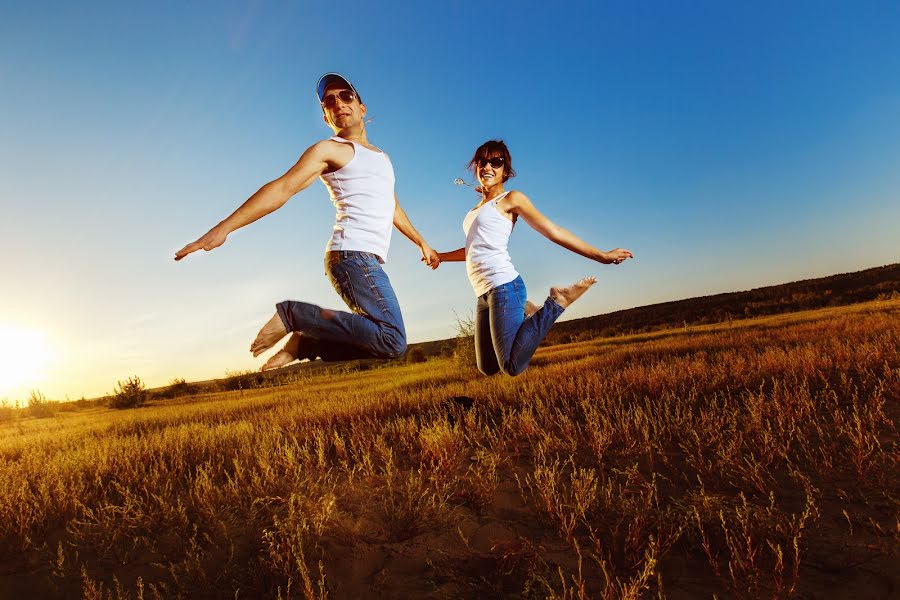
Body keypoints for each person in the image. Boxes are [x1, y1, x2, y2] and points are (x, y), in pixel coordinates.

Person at [175, 73, 439, 370]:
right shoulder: (328, 150)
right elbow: (283, 187)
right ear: (327, 117)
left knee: (387, 343)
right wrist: (223, 229)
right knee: (393, 340)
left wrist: (422, 243)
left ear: (362, 107)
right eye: (329, 101)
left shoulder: (382, 159)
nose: (338, 102)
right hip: (351, 255)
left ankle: (308, 341)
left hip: (367, 259)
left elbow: (392, 207)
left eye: (345, 96)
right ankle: (293, 316)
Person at [434, 140, 633, 377]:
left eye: (496, 162)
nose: (488, 166)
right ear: (476, 166)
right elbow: (472, 251)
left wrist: (601, 255)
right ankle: (528, 308)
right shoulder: (473, 211)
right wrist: (440, 257)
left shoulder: (510, 199)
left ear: (505, 171)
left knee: (511, 366)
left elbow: (553, 231)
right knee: (487, 367)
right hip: (483, 294)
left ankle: (557, 302)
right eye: (482, 161)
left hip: (504, 286)